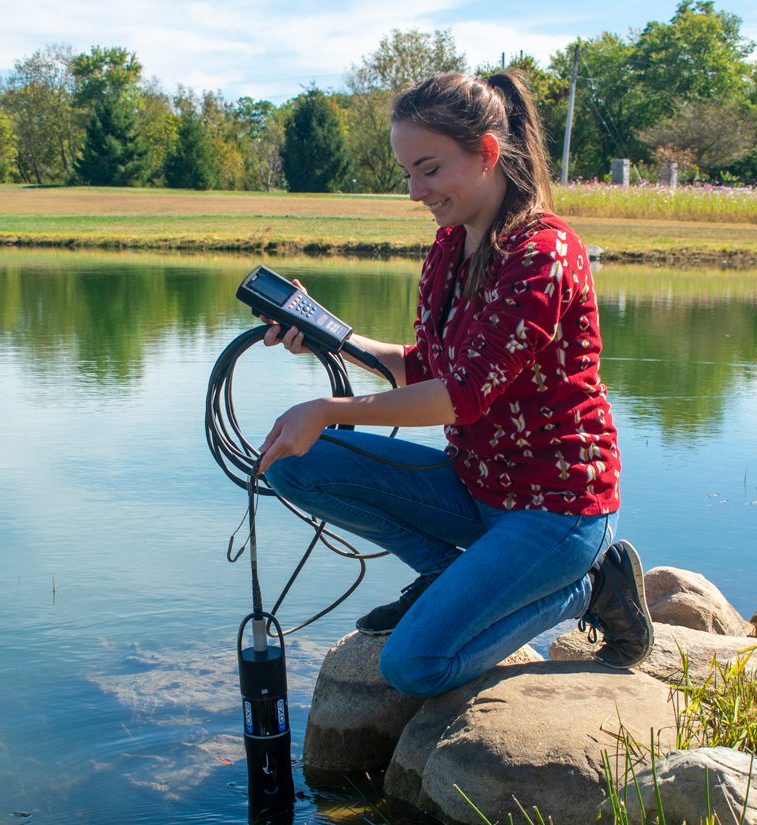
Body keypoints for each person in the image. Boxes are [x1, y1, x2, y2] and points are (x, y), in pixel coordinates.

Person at [257, 71, 653, 698]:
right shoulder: (450, 246)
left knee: (413, 667)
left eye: (430, 169)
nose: (416, 190)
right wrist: (329, 333)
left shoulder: (543, 254)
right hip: (475, 488)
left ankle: (590, 584)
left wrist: (332, 410)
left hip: (556, 511)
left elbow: (459, 396)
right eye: (407, 174)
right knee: (293, 464)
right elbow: (427, 367)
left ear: (488, 153)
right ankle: (449, 575)